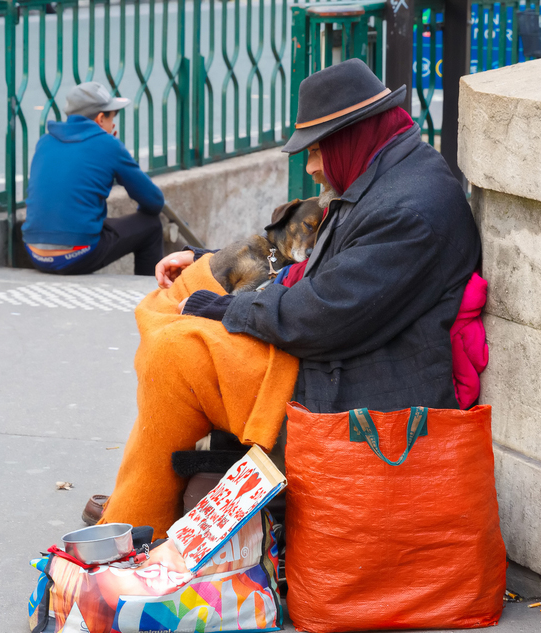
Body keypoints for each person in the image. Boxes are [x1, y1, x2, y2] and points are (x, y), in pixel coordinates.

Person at [86, 59, 482, 537]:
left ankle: (134, 520)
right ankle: (145, 492)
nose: (312, 167)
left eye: (316, 151)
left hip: (353, 396)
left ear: (350, 137)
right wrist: (205, 265)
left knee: (174, 356)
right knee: (181, 295)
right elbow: (313, 269)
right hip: (338, 357)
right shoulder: (389, 174)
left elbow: (321, 320)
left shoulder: (409, 209)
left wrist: (227, 311)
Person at [22, 82, 165, 276]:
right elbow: (154, 202)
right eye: (111, 118)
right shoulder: (108, 144)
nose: (113, 125)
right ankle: (149, 296)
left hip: (35, 253)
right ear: (100, 119)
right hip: (78, 256)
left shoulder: (45, 141)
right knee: (151, 225)